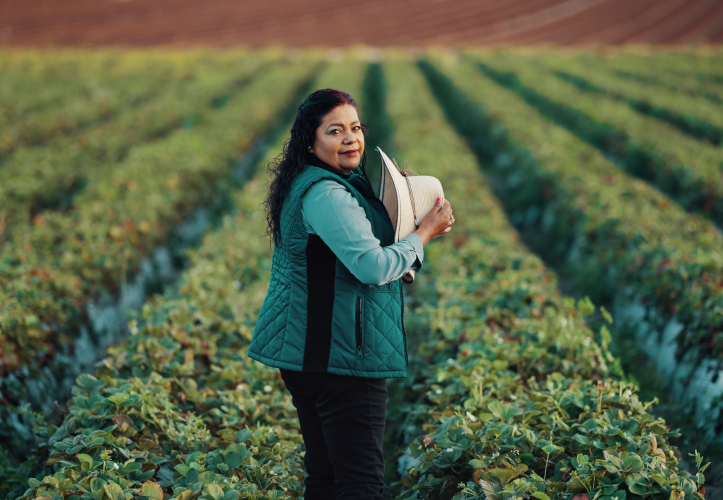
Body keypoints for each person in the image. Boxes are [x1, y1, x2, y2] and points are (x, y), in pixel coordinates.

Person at [247, 88, 454, 500]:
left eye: (355, 128)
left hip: (316, 353)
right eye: (335, 130)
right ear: (311, 141)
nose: (350, 139)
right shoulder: (327, 194)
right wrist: (423, 234)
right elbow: (372, 266)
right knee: (361, 485)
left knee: (325, 479)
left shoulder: (324, 182)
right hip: (340, 357)